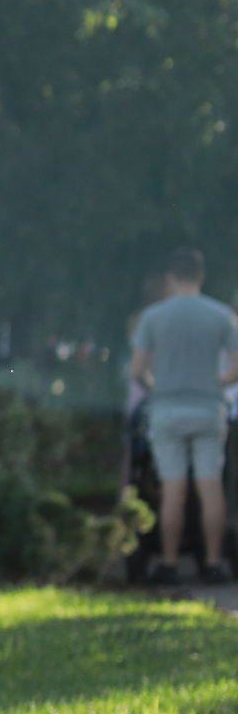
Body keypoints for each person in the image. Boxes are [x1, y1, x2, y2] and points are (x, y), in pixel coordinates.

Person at [129, 247, 238, 584]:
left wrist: (157, 387)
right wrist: (214, 384)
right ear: (201, 276)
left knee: (173, 488)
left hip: (167, 410)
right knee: (210, 486)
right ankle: (213, 562)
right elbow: (236, 369)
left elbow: (137, 371)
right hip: (208, 409)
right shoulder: (222, 315)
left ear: (170, 278)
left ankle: (170, 562)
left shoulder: (153, 316)